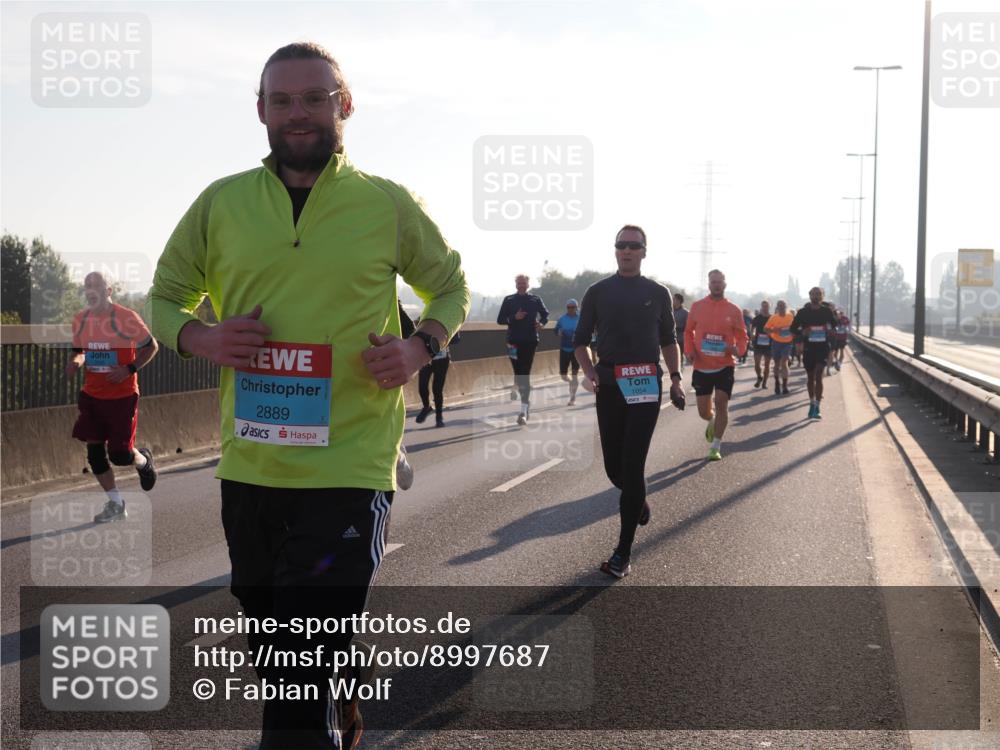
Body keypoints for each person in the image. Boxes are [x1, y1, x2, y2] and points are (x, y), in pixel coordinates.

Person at [146, 42, 469, 750]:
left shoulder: (384, 203)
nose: (299, 114)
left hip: (350, 465)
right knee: (277, 651)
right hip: (252, 467)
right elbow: (164, 299)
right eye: (283, 100)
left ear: (343, 106)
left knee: (297, 684)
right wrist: (201, 340)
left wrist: (422, 346)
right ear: (261, 110)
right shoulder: (221, 204)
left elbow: (449, 287)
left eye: (315, 98)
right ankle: (342, 691)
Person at [574, 225, 683, 579]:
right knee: (613, 469)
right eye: (621, 245)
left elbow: (669, 340)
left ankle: (623, 553)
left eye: (633, 246)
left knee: (633, 466)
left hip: (646, 385)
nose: (626, 250)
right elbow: (579, 342)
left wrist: (677, 379)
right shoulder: (597, 292)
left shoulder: (658, 293)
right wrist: (590, 372)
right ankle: (638, 497)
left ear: (644, 251)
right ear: (615, 250)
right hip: (609, 383)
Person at [66, 271, 159, 523]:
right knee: (95, 454)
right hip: (92, 396)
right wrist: (75, 362)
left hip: (122, 396)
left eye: (97, 285)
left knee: (119, 454)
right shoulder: (81, 320)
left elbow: (152, 347)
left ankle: (143, 461)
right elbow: (79, 351)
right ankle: (116, 504)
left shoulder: (126, 318)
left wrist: (128, 369)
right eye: (88, 286)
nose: (92, 290)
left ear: (108, 291)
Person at [684, 269, 748, 462]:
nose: (717, 285)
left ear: (725, 284)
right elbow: (688, 332)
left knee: (721, 402)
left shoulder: (734, 310)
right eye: (713, 282)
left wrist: (739, 350)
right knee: (704, 411)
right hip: (702, 365)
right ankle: (710, 421)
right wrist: (689, 351)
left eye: (720, 282)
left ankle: (716, 445)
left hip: (725, 364)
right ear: (709, 284)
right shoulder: (697, 307)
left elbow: (742, 336)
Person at [497, 274, 549, 425]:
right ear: (515, 284)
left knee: (524, 374)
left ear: (528, 284)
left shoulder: (535, 299)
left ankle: (523, 410)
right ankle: (524, 402)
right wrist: (514, 317)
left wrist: (542, 323)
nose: (521, 285)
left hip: (530, 341)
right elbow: (500, 319)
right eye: (519, 283)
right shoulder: (509, 300)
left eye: (523, 283)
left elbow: (545, 314)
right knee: (518, 374)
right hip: (512, 342)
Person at [791, 287, 839, 419]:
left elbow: (835, 326)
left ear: (822, 296)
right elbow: (793, 328)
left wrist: (831, 331)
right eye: (813, 294)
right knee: (810, 377)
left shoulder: (827, 311)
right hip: (809, 348)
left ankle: (817, 405)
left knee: (819, 374)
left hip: (822, 347)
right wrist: (802, 331)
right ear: (810, 296)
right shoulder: (803, 312)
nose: (816, 296)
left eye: (818, 294)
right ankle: (811, 402)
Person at [416, 326, 460, 426]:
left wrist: (445, 338)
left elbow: (457, 339)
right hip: (426, 358)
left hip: (442, 359)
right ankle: (427, 407)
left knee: (437, 389)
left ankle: (439, 418)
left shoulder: (447, 322)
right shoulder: (424, 320)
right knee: (422, 386)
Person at [554, 299, 581, 405]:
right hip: (564, 349)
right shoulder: (562, 319)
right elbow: (556, 330)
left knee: (575, 374)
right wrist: (558, 332)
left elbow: (587, 330)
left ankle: (572, 398)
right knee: (563, 375)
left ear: (576, 308)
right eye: (568, 307)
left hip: (577, 350)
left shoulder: (581, 319)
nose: (570, 309)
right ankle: (570, 381)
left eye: (572, 307)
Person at [765, 300, 794, 395]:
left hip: (787, 343)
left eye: (783, 306)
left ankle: (785, 386)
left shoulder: (790, 316)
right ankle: (777, 383)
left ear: (786, 306)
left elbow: (796, 328)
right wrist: (773, 331)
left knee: (784, 363)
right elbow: (765, 329)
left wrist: (794, 333)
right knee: (777, 364)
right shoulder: (773, 318)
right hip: (776, 342)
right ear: (777, 307)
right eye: (780, 306)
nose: (782, 308)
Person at [750, 301, 772, 389]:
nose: (765, 308)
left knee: (767, 364)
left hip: (769, 343)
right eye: (763, 306)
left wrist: (771, 333)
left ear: (769, 307)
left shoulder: (772, 318)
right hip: (758, 343)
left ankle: (765, 383)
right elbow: (752, 328)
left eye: (766, 306)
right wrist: (752, 335)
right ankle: (759, 376)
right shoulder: (757, 318)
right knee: (757, 364)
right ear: (761, 307)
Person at [672, 292, 688, 372]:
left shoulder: (685, 313)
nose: (672, 300)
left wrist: (679, 328)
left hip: (681, 337)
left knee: (680, 353)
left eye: (674, 299)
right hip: (671, 337)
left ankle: (680, 366)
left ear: (679, 301)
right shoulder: (670, 311)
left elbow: (688, 327)